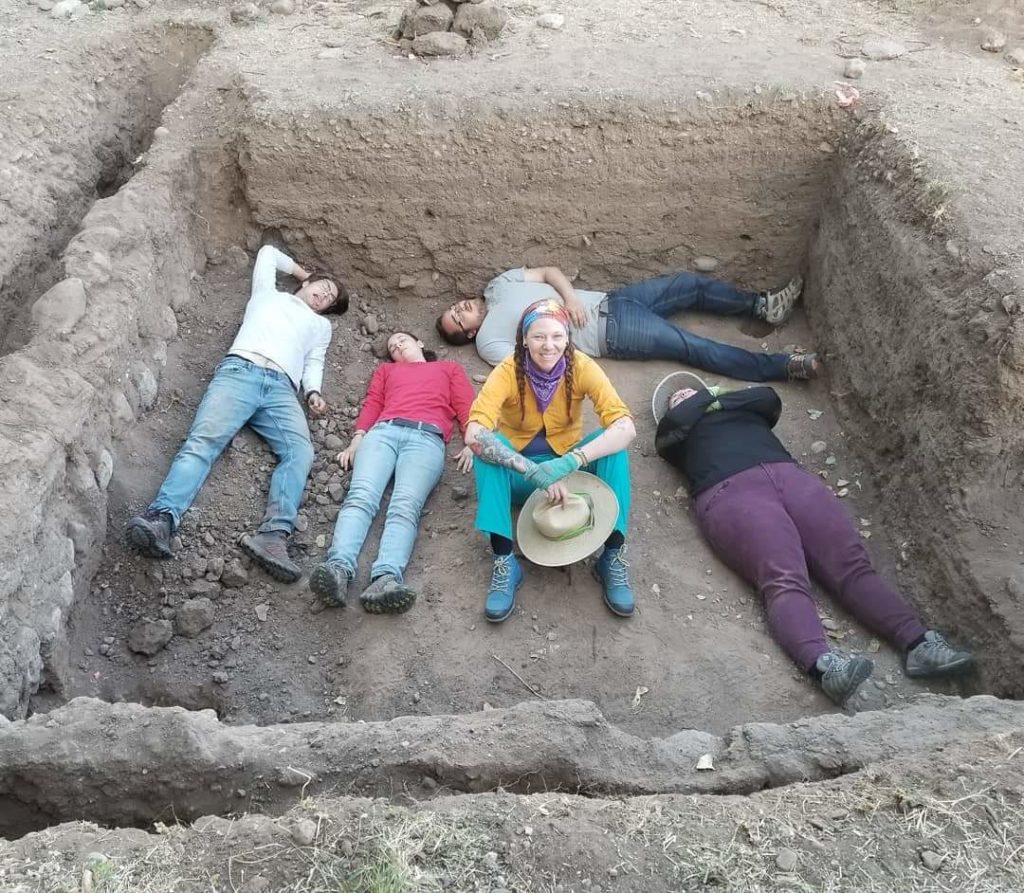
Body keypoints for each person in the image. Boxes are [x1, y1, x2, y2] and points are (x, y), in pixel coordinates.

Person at [652, 376, 975, 705]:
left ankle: (918, 642)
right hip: (730, 491)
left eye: (692, 391)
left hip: (789, 476)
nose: (684, 395)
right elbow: (670, 428)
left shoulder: (742, 407)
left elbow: (767, 398)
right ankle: (824, 666)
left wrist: (714, 400)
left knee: (851, 566)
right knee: (783, 576)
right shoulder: (676, 434)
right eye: (676, 398)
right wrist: (706, 402)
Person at [126, 245, 347, 583]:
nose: (323, 296)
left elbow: (314, 361)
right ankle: (162, 520)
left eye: (329, 299)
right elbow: (269, 254)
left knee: (300, 451)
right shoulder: (266, 294)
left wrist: (313, 391)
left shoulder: (321, 327)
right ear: (307, 283)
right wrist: (304, 272)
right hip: (240, 370)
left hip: (282, 389)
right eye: (323, 287)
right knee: (204, 442)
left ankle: (273, 537)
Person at [465, 299, 637, 621]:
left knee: (615, 447)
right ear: (524, 339)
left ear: (567, 337)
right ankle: (505, 561)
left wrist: (570, 462)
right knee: (486, 450)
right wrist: (532, 470)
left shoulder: (582, 366)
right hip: (522, 474)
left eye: (557, 336)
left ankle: (612, 555)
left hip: (569, 471)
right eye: (539, 337)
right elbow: (475, 432)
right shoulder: (508, 370)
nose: (549, 346)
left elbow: (625, 427)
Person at [309, 332, 475, 613]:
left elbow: (465, 404)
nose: (397, 346)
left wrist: (472, 440)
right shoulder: (387, 370)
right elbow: (373, 402)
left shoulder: (448, 369)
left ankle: (385, 579)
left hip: (427, 437)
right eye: (392, 347)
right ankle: (337, 569)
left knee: (405, 506)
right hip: (384, 432)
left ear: (420, 342)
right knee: (360, 497)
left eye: (402, 340)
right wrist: (357, 439)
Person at [437, 265, 817, 382]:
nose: (460, 308)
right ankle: (784, 366)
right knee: (694, 346)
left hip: (612, 300)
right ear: (468, 333)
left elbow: (550, 271)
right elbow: (531, 366)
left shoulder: (496, 286)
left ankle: (762, 308)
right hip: (611, 333)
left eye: (455, 307)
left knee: (689, 285)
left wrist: (568, 298)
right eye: (458, 318)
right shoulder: (488, 340)